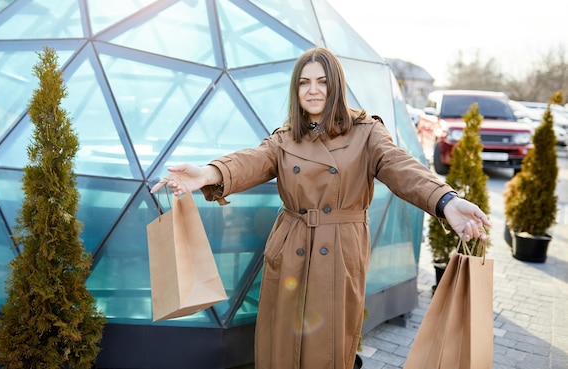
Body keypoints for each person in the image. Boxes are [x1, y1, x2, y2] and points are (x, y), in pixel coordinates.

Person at [151, 47, 489, 369]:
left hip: (340, 249)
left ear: (336, 86)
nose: (313, 90)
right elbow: (251, 162)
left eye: (322, 81)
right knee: (280, 341)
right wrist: (207, 174)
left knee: (328, 346)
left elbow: (399, 166)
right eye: (304, 82)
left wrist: (446, 200)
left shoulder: (366, 132)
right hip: (291, 245)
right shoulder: (285, 138)